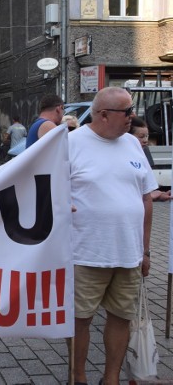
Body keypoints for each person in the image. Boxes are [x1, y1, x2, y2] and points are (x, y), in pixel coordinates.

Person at [69, 87, 156, 385]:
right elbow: (48, 192)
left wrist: (145, 251)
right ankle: (77, 377)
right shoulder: (70, 143)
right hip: (85, 253)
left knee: (121, 317)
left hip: (128, 253)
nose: (133, 116)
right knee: (79, 319)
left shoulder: (133, 144)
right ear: (104, 114)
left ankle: (111, 378)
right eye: (127, 111)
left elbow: (146, 198)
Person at [129, 116, 171, 202]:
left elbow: (145, 189)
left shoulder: (143, 155)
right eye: (141, 136)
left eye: (147, 136)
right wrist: (150, 196)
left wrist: (158, 196)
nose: (145, 140)